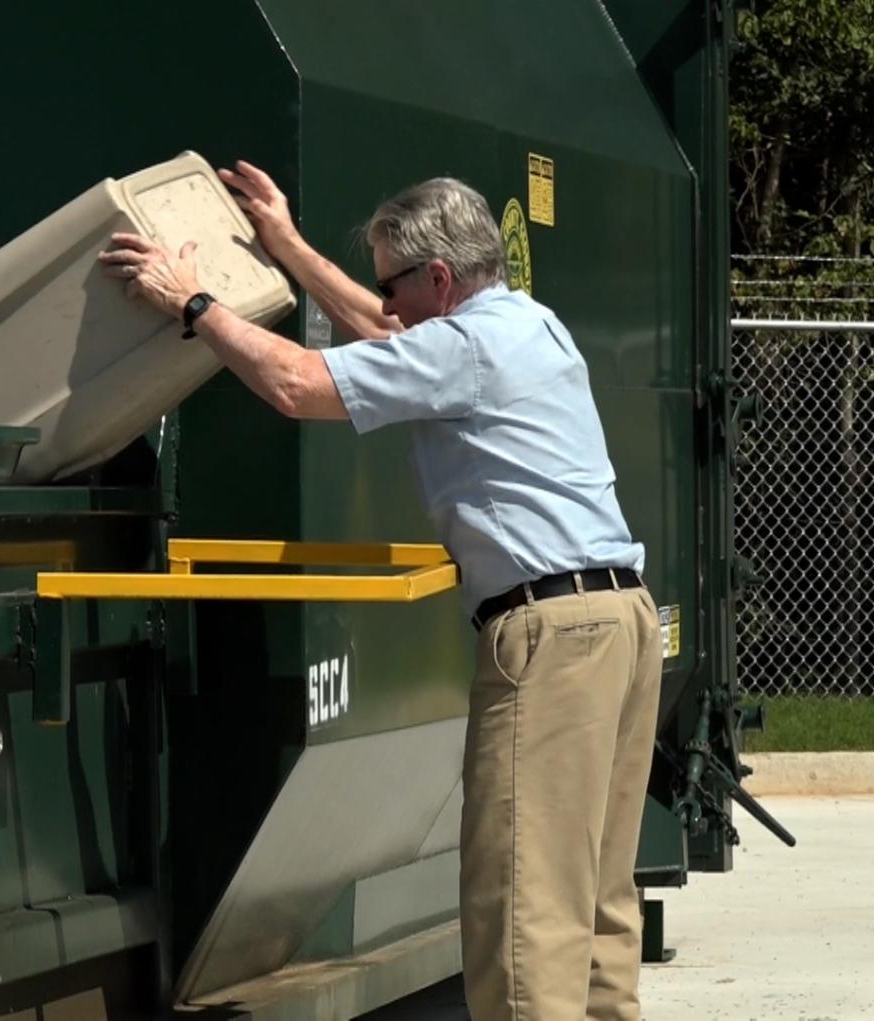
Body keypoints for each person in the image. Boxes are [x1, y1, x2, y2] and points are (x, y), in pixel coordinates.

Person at [100, 161, 663, 1021]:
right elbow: (380, 330)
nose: (381, 302)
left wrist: (193, 302)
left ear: (440, 277)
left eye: (391, 282)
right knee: (594, 913)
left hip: (550, 638)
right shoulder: (526, 323)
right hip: (619, 622)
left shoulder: (464, 346)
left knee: (524, 915)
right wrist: (285, 245)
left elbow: (296, 384)